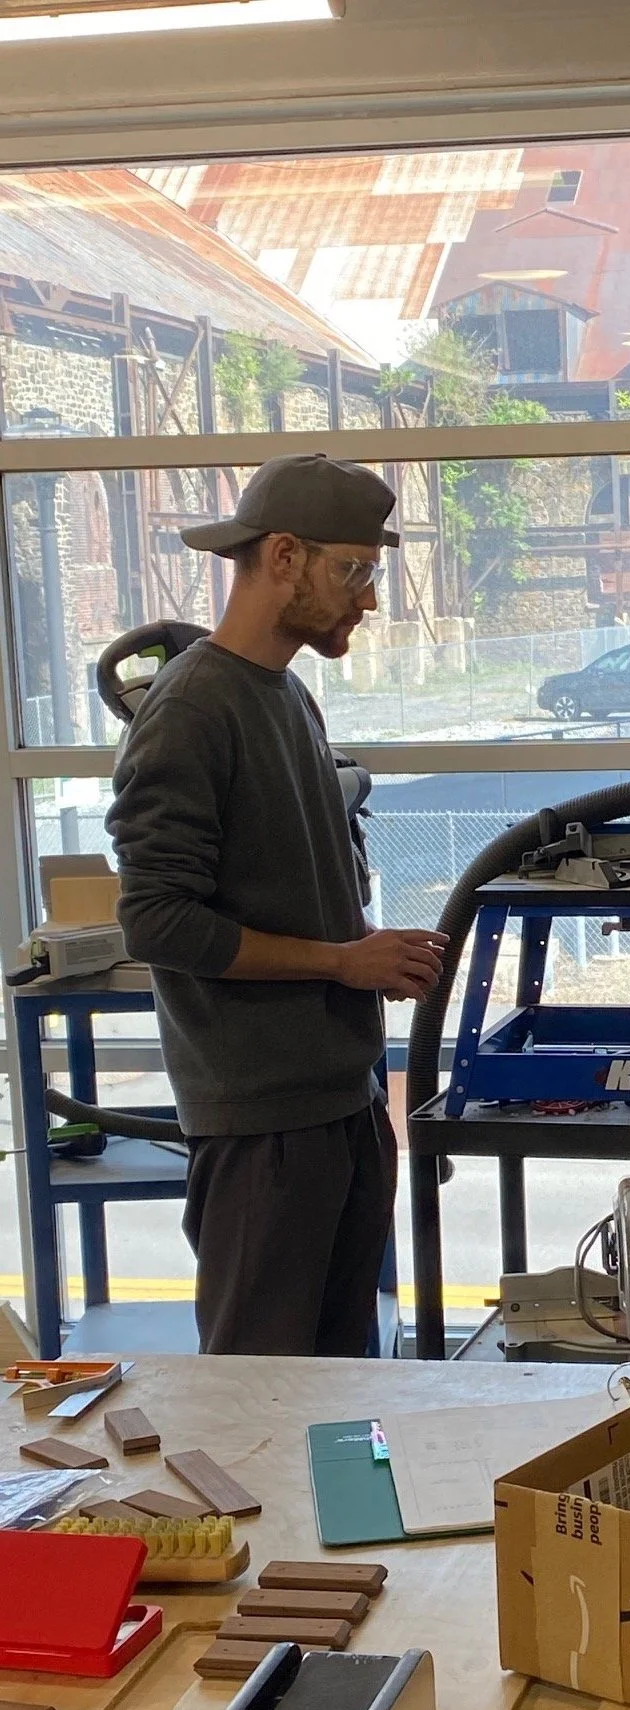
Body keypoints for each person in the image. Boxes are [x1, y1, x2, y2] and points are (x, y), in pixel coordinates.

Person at [107, 455, 448, 1357]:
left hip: (339, 1099)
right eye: (355, 570)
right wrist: (343, 963)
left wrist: (363, 944)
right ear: (285, 556)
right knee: (254, 1398)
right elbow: (157, 921)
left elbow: (288, 885)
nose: (368, 599)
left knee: (341, 1390)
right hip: (261, 1124)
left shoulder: (289, 695)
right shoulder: (191, 709)